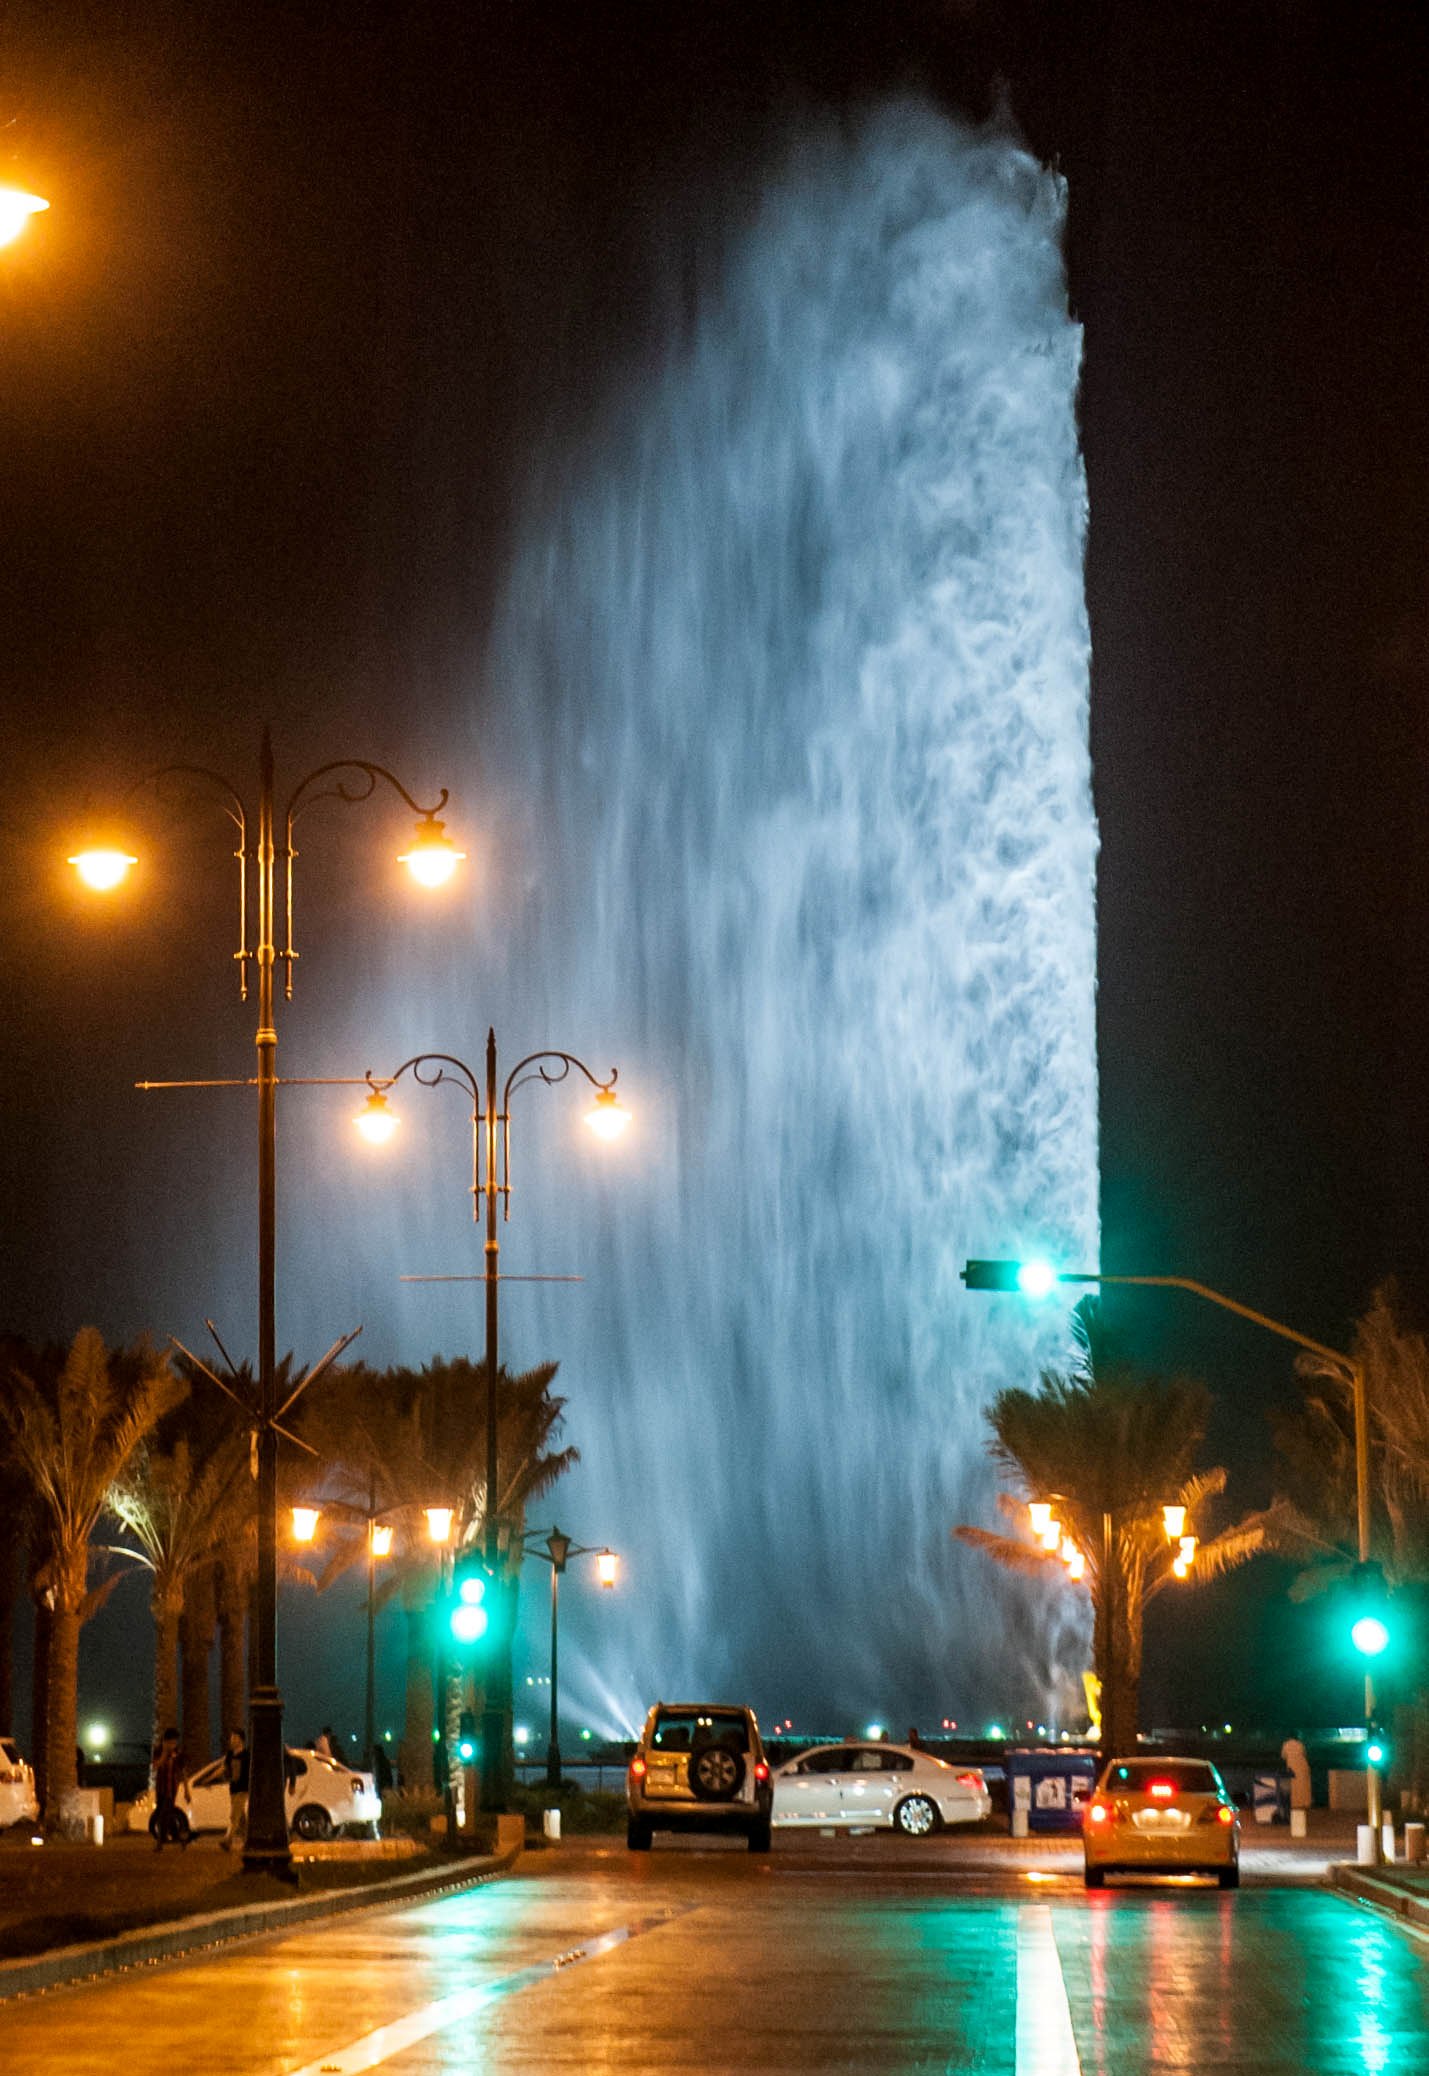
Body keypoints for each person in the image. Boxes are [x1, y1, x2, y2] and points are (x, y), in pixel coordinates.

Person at [152, 1727, 189, 1849]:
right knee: (166, 1812)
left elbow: (183, 1772)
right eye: (171, 1742)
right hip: (161, 1788)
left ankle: (160, 1841)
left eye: (175, 1742)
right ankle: (179, 1836)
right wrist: (165, 1753)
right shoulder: (158, 1751)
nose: (173, 1745)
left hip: (172, 1788)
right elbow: (156, 1766)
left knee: (164, 1813)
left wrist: (187, 1791)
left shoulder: (178, 1753)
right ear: (165, 1741)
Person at [220, 1726, 249, 1852]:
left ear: (241, 1740)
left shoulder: (247, 1754)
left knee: (234, 1815)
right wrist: (209, 1777)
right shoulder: (230, 1754)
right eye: (231, 1737)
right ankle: (248, 1840)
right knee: (240, 1817)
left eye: (235, 1737)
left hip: (243, 1788)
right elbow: (223, 1768)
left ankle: (228, 1840)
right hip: (233, 1788)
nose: (232, 1740)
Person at [1281, 1733, 1312, 1812]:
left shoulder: (1286, 1745)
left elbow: (1283, 1756)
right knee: (1304, 1786)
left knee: (1294, 1786)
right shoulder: (1300, 1744)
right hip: (1303, 1766)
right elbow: (1304, 1754)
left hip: (1292, 1767)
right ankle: (1305, 1803)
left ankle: (1295, 1804)